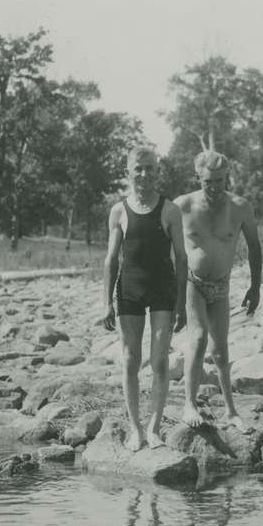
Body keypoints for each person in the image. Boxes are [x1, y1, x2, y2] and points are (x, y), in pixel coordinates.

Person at [102, 148, 188, 450]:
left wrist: (181, 304)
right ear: (128, 171)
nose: (144, 174)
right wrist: (106, 302)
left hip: (163, 289)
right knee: (130, 360)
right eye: (138, 168)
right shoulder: (119, 211)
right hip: (130, 288)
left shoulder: (170, 210)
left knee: (160, 361)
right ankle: (135, 428)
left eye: (150, 168)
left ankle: (154, 427)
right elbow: (111, 259)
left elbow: (181, 257)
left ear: (157, 171)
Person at [175, 150, 263, 431]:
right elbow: (168, 250)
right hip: (193, 282)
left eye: (220, 181)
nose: (214, 187)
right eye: (208, 181)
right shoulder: (183, 206)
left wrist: (255, 286)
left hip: (222, 285)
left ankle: (231, 411)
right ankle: (190, 403)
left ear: (227, 178)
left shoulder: (240, 207)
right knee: (198, 339)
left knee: (222, 350)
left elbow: (255, 247)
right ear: (198, 178)